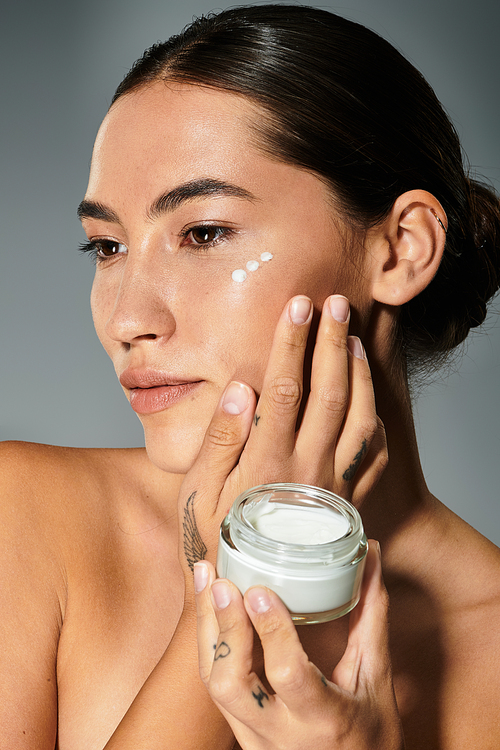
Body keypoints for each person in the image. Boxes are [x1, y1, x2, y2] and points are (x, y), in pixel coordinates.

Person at [1, 4, 499, 748]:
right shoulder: (25, 520)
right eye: (106, 247)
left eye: (203, 233)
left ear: (399, 250)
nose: (128, 316)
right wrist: (241, 576)